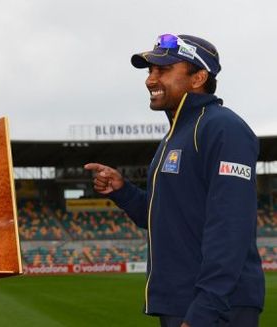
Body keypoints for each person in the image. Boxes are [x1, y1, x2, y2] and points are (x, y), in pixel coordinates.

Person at [85, 34, 264, 327]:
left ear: (199, 77)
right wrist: (123, 191)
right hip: (184, 303)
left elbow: (231, 225)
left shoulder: (223, 127)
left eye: (163, 70)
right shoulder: (175, 135)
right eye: (150, 71)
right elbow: (166, 216)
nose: (150, 80)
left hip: (217, 308)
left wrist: (206, 308)